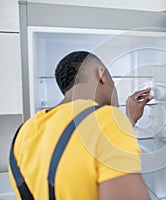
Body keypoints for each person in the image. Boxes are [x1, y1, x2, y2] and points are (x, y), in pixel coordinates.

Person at [9, 51, 152, 200]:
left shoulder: (25, 131)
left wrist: (129, 120)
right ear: (101, 74)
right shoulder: (105, 118)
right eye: (113, 83)